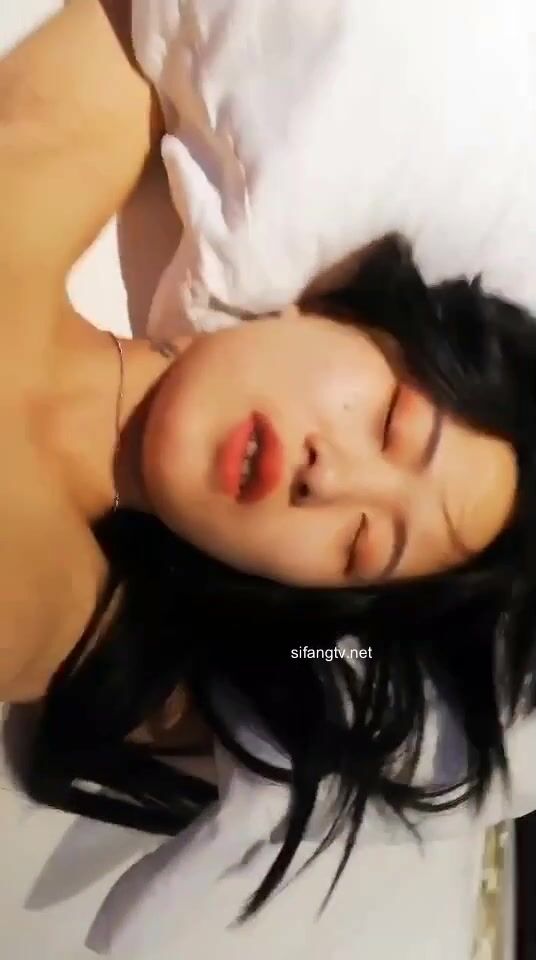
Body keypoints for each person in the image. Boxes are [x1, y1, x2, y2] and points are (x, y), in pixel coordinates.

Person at [1, 0, 535, 923]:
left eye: (359, 546)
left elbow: (325, 666)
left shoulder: (52, 602)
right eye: (390, 423)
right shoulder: (42, 169)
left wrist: (320, 646)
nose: (330, 479)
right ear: (331, 309)